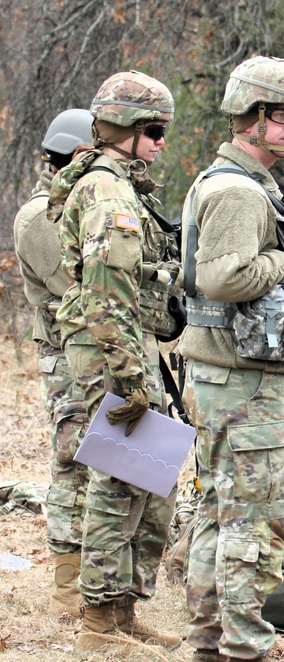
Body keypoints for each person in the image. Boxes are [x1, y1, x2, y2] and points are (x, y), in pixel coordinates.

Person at [178, 55, 284, 662]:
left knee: (219, 516)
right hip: (245, 386)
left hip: (227, 379)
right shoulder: (237, 191)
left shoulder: (229, 182)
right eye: (282, 116)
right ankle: (244, 648)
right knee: (254, 526)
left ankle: (212, 644)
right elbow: (222, 278)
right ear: (251, 118)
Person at [50, 71, 182, 653]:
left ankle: (123, 610)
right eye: (153, 131)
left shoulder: (120, 186)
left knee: (151, 479)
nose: (160, 142)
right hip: (111, 349)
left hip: (123, 345)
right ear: (123, 129)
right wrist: (130, 377)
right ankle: (99, 624)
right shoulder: (108, 193)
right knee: (121, 481)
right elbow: (107, 293)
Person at [13, 108, 93, 617]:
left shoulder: (86, 206)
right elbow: (76, 286)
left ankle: (106, 580)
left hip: (101, 353)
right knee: (74, 461)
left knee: (120, 463)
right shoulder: (40, 216)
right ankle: (68, 584)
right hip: (66, 356)